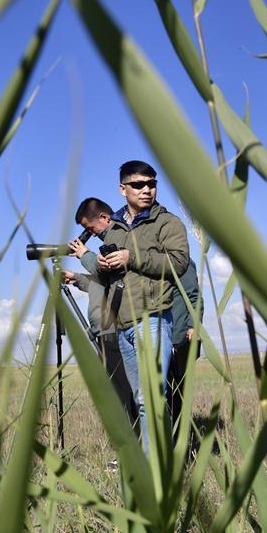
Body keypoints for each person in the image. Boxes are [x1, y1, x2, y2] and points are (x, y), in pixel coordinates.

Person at [94, 160, 190, 452]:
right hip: (122, 324)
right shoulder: (113, 228)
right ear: (122, 189)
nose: (147, 190)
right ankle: (159, 462)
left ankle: (154, 472)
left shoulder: (167, 222)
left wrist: (131, 257)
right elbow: (111, 277)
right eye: (138, 185)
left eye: (151, 183)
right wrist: (101, 265)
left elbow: (178, 263)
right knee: (141, 399)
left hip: (153, 318)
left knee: (150, 398)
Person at [63, 197, 140, 437]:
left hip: (114, 329)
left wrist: (84, 254)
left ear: (105, 219)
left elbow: (103, 270)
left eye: (90, 229)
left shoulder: (117, 238)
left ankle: (135, 447)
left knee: (125, 393)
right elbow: (101, 283)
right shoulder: (105, 246)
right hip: (105, 330)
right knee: (118, 392)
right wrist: (75, 278)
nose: (90, 235)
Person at [166, 258, 202, 435]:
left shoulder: (181, 261)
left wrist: (193, 325)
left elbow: (194, 296)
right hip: (163, 336)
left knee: (178, 393)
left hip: (179, 337)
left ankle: (180, 439)